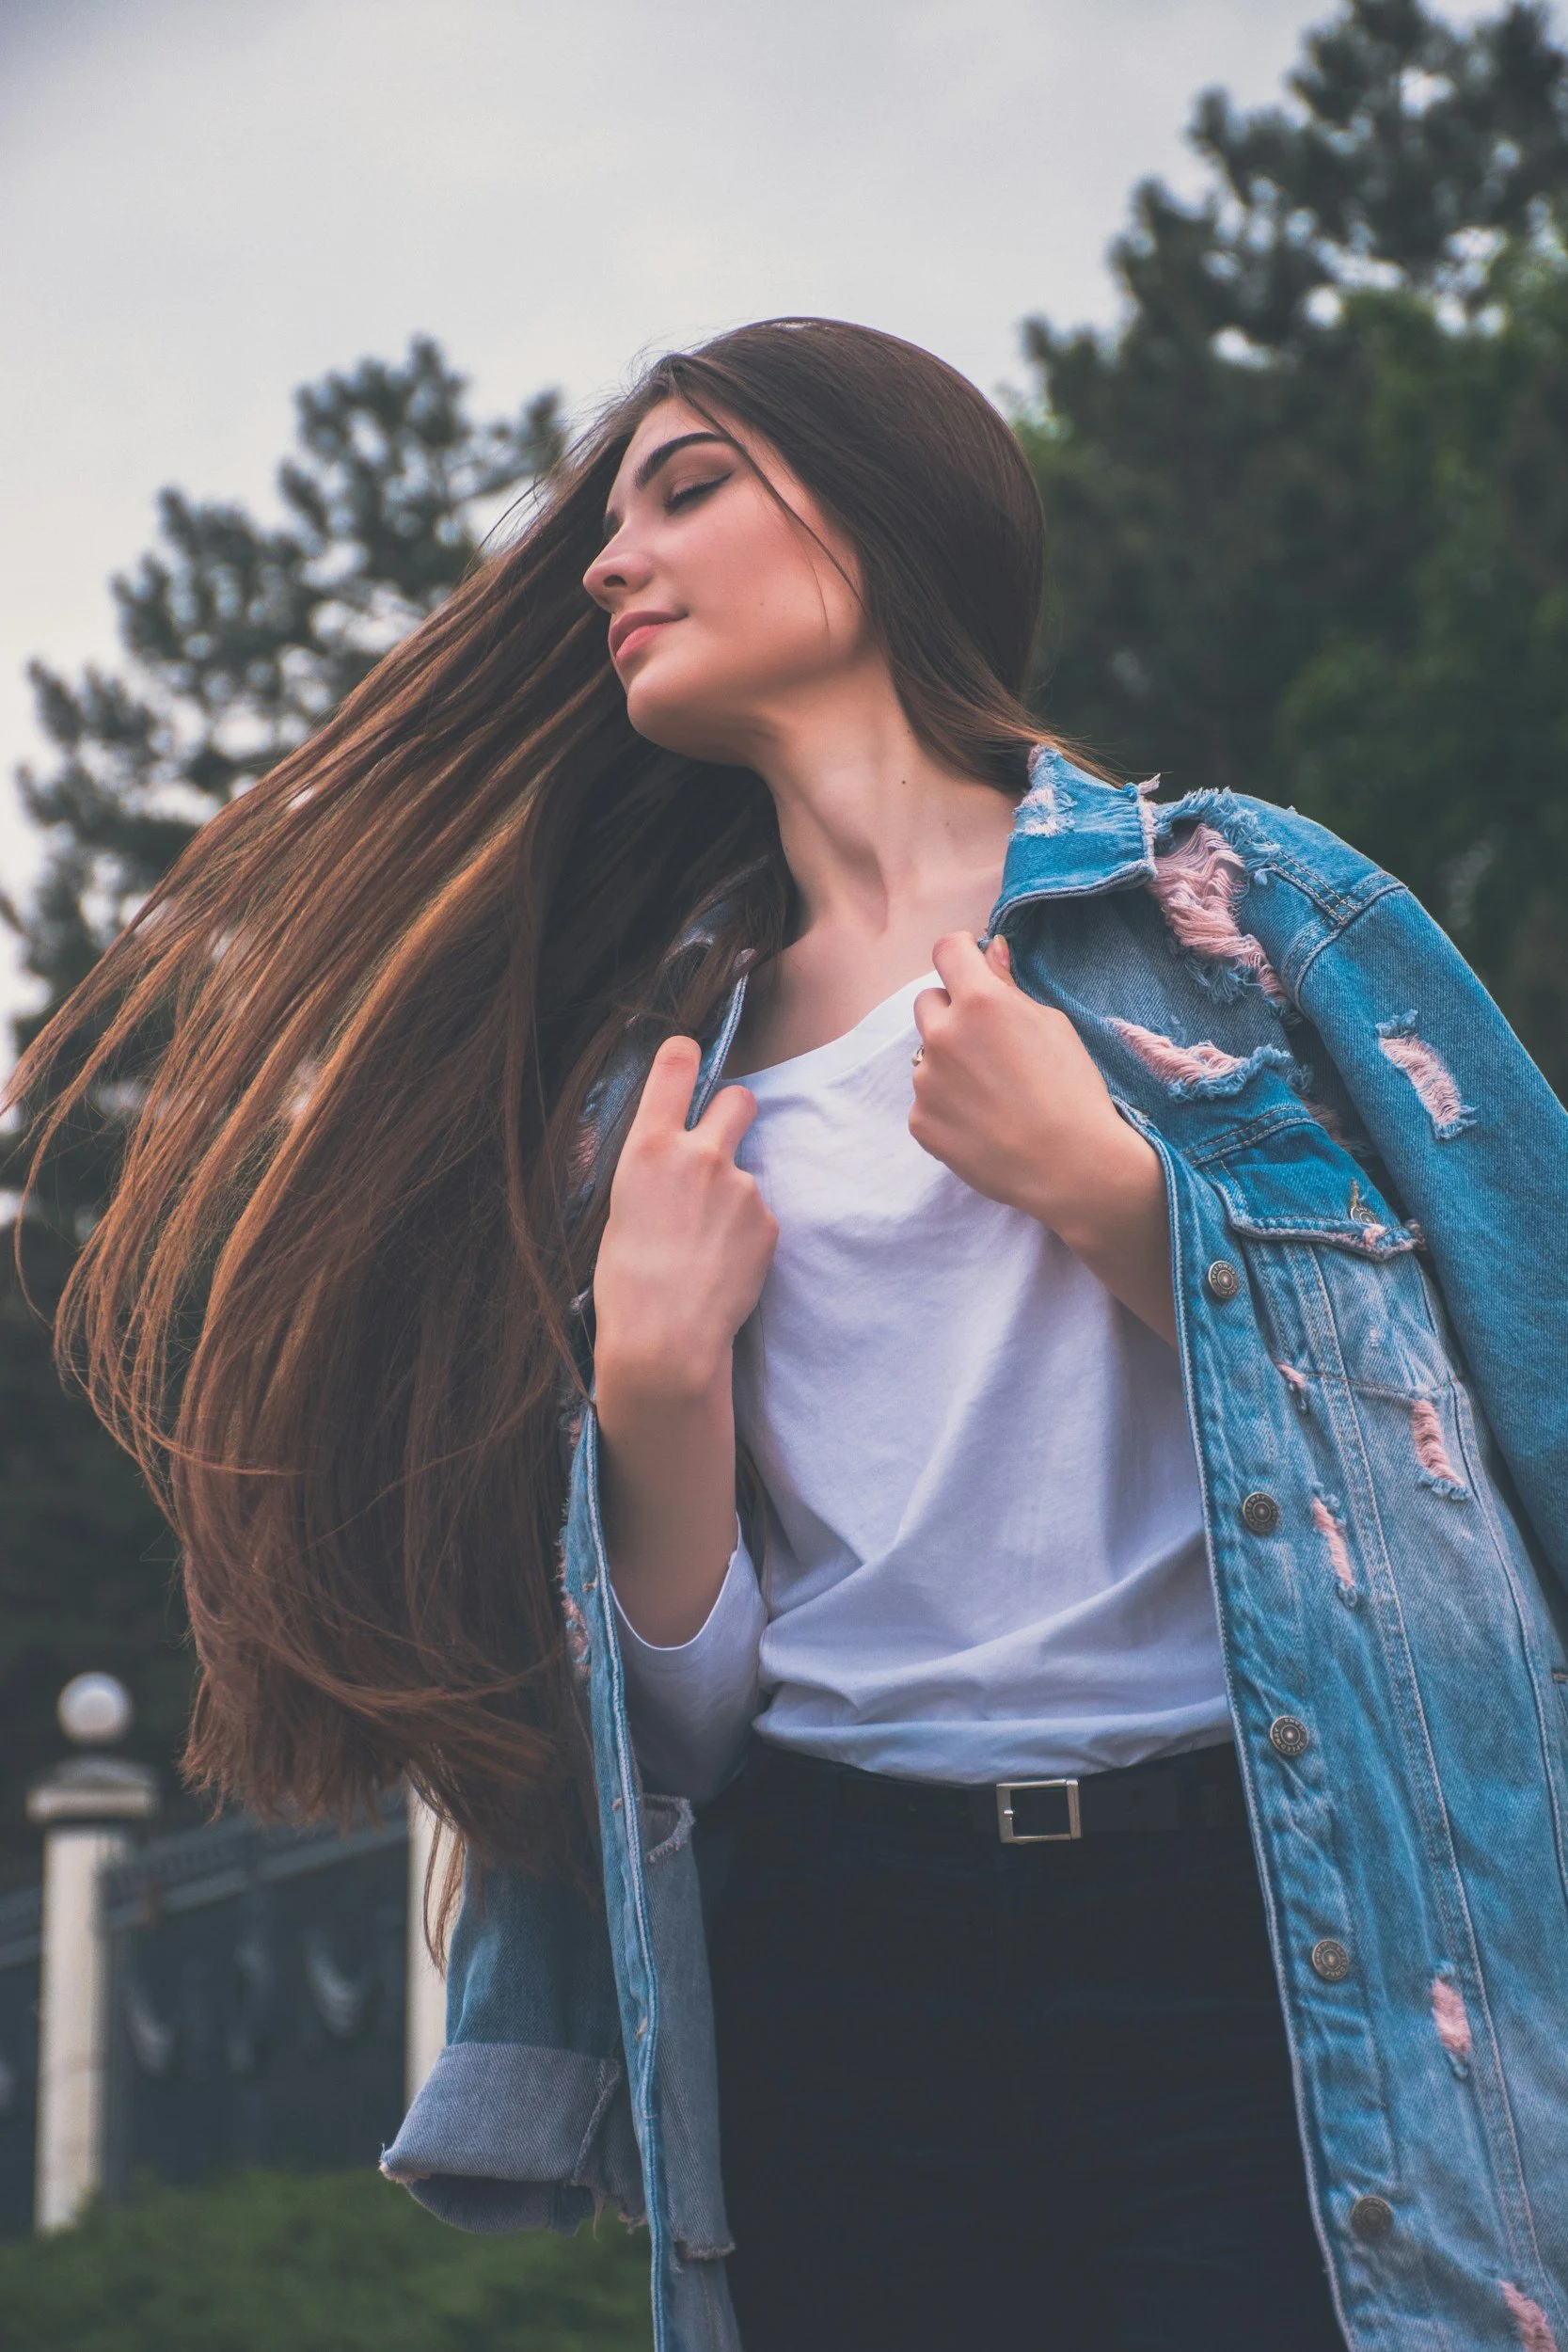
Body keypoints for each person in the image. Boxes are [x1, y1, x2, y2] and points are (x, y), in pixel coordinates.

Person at [9, 319, 1567, 2352]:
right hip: (843, 1947)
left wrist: (1115, 1198)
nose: (604, 558)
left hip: (1273, 1923)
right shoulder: (643, 1090)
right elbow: (682, 1728)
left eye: (685, 486)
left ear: (881, 515)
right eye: (612, 511)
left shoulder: (1240, 915)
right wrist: (650, 1387)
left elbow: (1518, 1374)